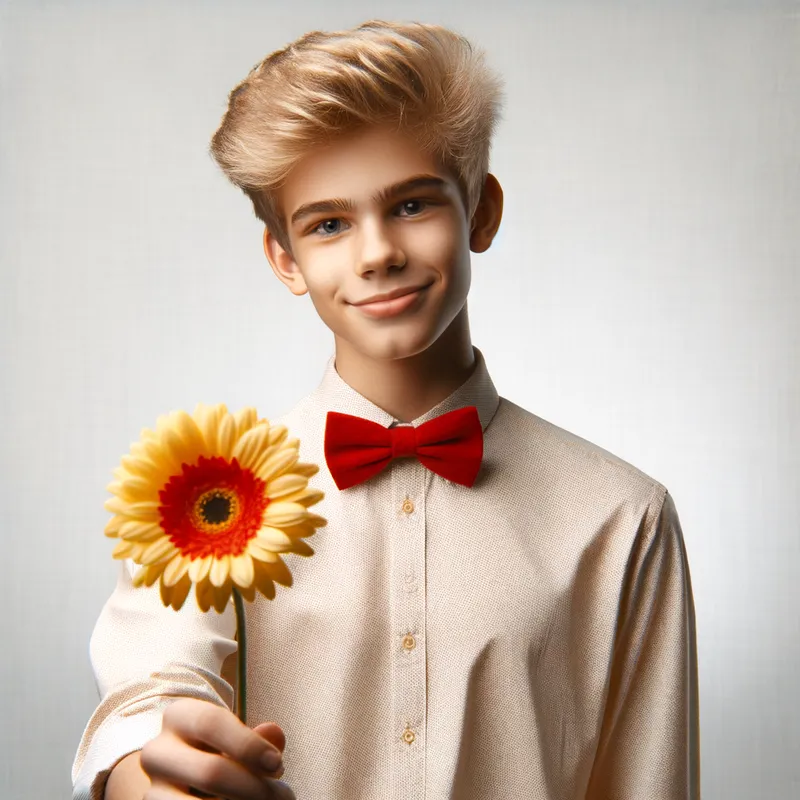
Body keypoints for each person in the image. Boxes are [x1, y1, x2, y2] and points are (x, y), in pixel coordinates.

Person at [72, 19, 700, 800]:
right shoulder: (202, 494)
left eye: (410, 205)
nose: (376, 254)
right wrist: (145, 775)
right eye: (329, 224)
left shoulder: (623, 518)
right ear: (285, 259)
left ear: (481, 211)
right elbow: (148, 692)